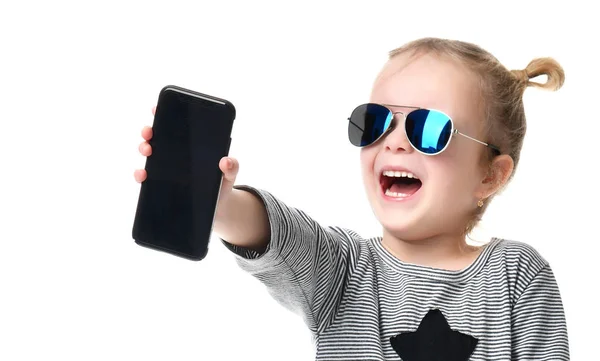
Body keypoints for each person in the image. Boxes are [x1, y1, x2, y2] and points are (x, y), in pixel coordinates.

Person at [134, 37, 569, 360]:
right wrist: (219, 203)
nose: (394, 143)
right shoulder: (344, 271)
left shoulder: (517, 277)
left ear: (490, 175)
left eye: (429, 129)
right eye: (375, 121)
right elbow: (281, 236)